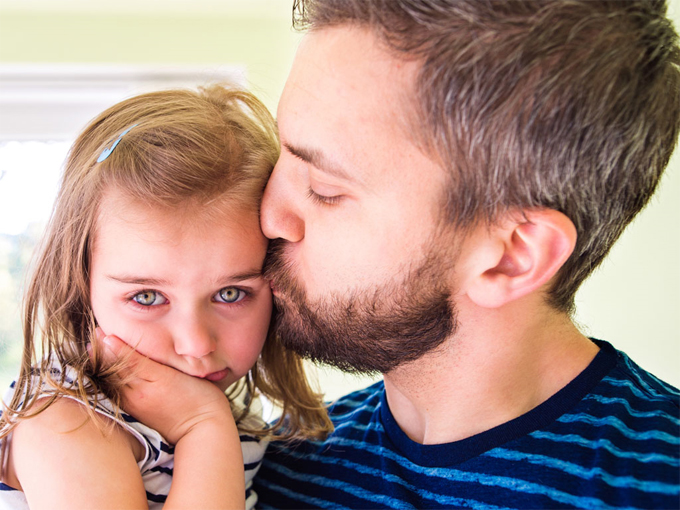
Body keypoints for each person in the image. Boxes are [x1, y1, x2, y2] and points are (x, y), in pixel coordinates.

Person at [246, 0, 680, 508]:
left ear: (512, 256)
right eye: (281, 156)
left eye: (323, 188)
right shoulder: (264, 471)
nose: (269, 216)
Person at [0, 84, 331, 510]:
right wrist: (203, 429)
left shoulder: (242, 422)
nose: (195, 343)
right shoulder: (66, 421)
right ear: (81, 285)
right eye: (147, 298)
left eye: (231, 294)